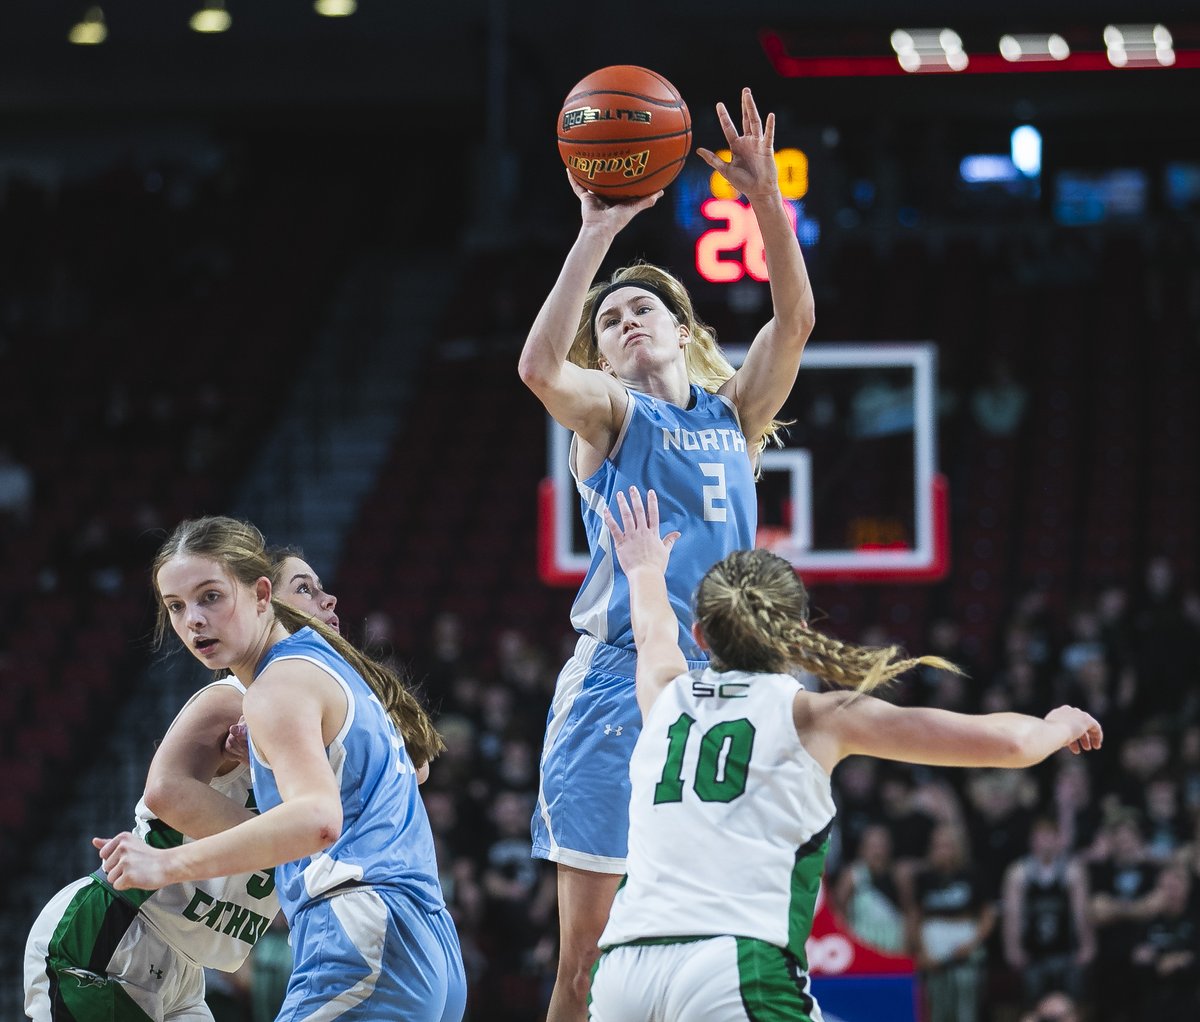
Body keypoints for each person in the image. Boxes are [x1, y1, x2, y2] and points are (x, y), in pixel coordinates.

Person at [518, 86, 816, 1020]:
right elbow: (536, 369)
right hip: (618, 686)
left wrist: (766, 197)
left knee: (711, 938)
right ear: (603, 358)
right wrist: (596, 234)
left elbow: (795, 320)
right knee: (587, 963)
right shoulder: (611, 416)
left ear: (686, 332)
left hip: (717, 687)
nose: (627, 320)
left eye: (645, 309)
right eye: (611, 322)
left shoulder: (734, 415)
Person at [586, 487, 1103, 1022]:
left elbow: (652, 632)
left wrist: (644, 566)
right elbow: (1011, 745)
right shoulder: (815, 716)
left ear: (700, 635)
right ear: (799, 635)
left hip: (625, 968)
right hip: (733, 963)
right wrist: (1058, 723)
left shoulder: (665, 695)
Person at [91, 516, 464, 1022]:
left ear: (262, 594)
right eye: (176, 607)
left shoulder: (275, 687)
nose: (193, 620)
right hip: (426, 936)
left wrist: (167, 865)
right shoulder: (331, 671)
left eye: (211, 597)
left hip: (360, 929)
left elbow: (317, 821)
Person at [23, 545, 345, 1021]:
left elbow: (416, 765)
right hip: (114, 936)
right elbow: (164, 792)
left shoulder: (328, 715)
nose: (328, 600)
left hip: (186, 970)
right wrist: (286, 840)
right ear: (261, 604)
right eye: (304, 589)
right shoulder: (235, 698)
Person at [1001, 816, 1095, 1005]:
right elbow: (1012, 915)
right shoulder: (1018, 872)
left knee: (1071, 1005)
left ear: (1059, 840)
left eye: (1050, 837)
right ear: (1032, 841)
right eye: (1040, 837)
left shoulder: (1073, 871)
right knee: (1035, 1004)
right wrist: (1013, 947)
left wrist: (1087, 944)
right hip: (1033, 952)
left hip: (1066, 951)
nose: (1045, 843)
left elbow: (1081, 912)